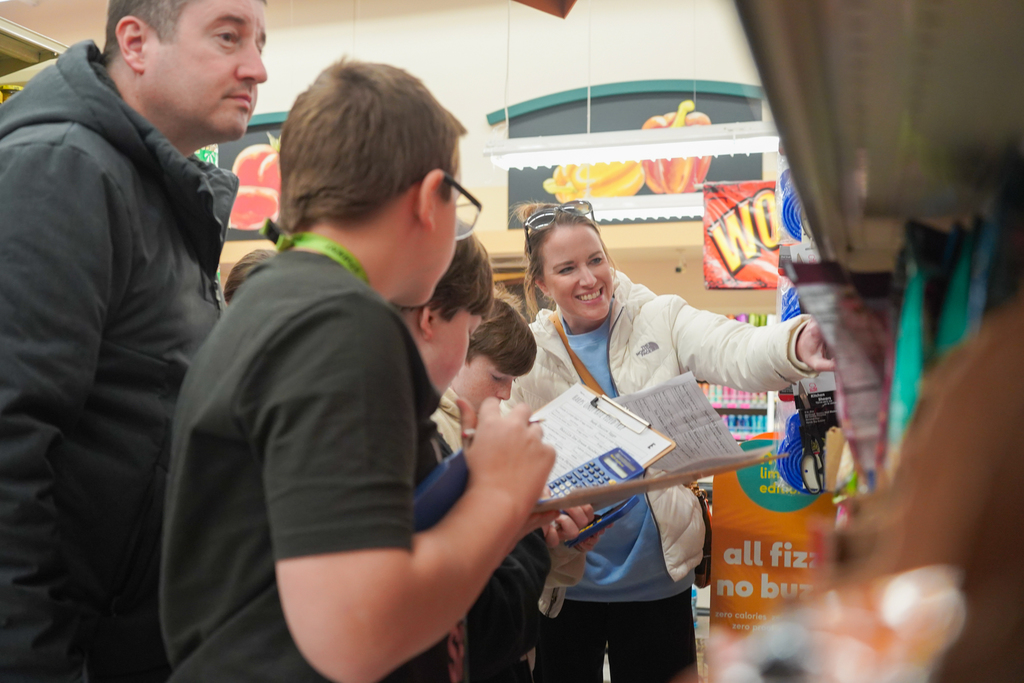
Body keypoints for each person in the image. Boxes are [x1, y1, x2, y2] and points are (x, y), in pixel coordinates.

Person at [160, 59, 555, 683]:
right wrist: (500, 498)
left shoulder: (280, 305)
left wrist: (477, 493)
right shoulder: (342, 323)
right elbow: (356, 632)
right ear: (430, 200)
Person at [0, 0, 267, 680]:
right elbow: (10, 441)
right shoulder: (62, 170)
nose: (257, 67)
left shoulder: (159, 196)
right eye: (229, 37)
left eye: (261, 41)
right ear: (137, 42)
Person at [506, 201, 834, 683]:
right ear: (541, 284)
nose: (589, 278)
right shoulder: (528, 358)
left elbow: (735, 347)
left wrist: (796, 342)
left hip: (658, 585)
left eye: (596, 259)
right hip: (567, 592)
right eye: (567, 268)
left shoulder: (660, 318)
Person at [422, 285, 600, 683]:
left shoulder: (490, 429)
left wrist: (560, 541)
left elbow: (514, 569)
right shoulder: (427, 436)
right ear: (457, 348)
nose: (505, 393)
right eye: (498, 377)